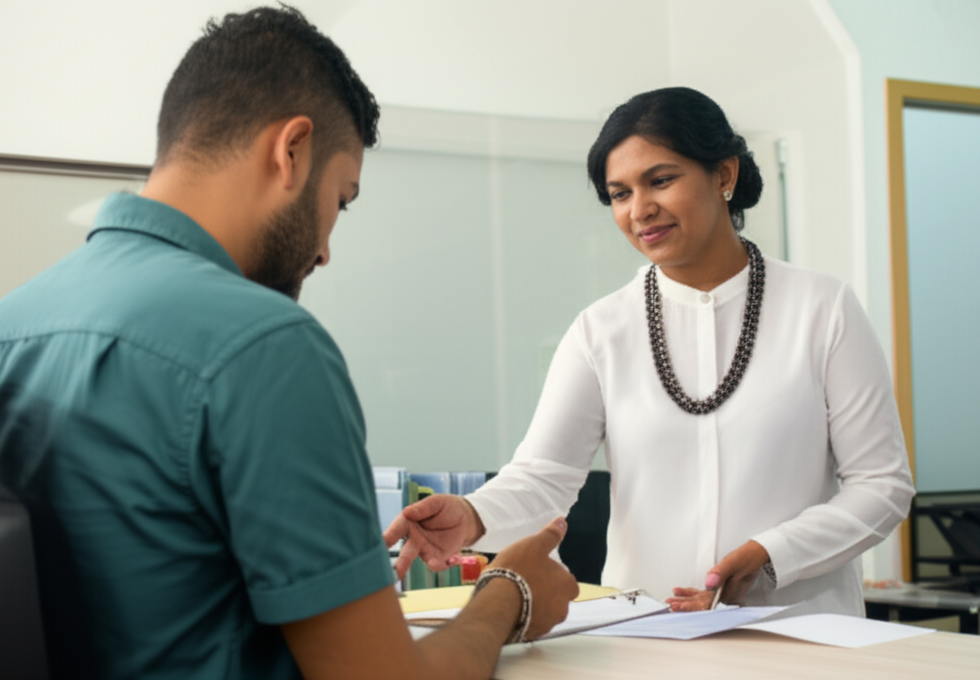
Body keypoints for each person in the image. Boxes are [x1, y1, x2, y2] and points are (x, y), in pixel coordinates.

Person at [0, 7, 577, 680]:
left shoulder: (14, 323)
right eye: (341, 199)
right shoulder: (263, 346)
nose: (326, 250)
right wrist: (509, 594)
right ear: (291, 151)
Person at [386, 87, 915, 617]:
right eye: (619, 194)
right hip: (645, 634)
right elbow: (544, 477)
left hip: (801, 635)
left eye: (660, 180)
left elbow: (882, 484)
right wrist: (472, 515)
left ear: (724, 175)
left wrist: (771, 553)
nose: (640, 210)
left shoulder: (823, 309)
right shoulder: (601, 330)